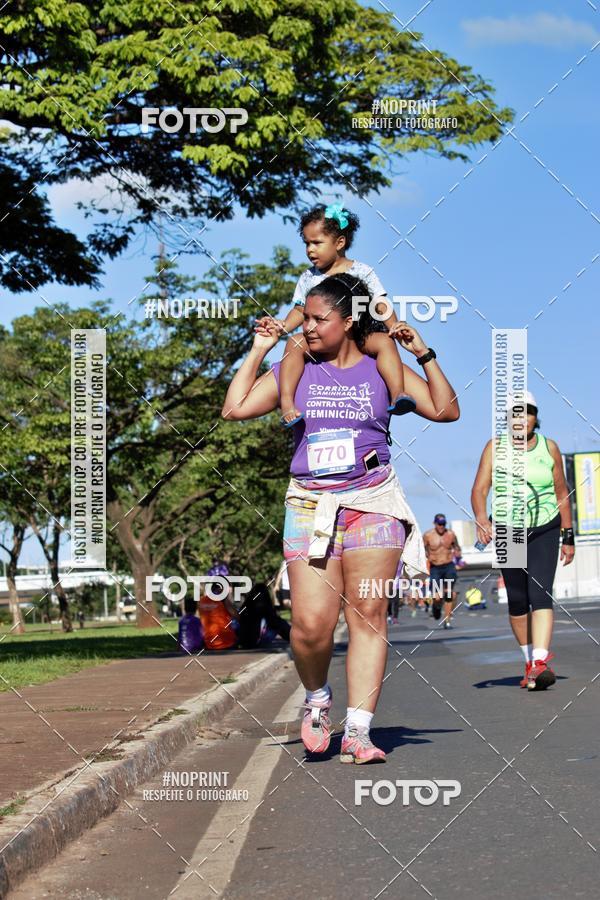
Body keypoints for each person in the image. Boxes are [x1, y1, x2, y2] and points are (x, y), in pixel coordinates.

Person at [222, 273, 459, 763]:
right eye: (304, 316)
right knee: (310, 626)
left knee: (368, 614)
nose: (306, 326)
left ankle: (358, 731)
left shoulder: (379, 363)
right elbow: (234, 407)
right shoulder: (297, 365)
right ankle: (317, 700)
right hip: (310, 503)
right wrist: (258, 349)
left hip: (372, 501)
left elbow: (446, 410)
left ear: (349, 321)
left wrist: (425, 353)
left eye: (317, 318)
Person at [255, 203, 416, 426]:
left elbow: (380, 304)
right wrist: (282, 325)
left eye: (317, 243)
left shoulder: (361, 271)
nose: (310, 250)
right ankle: (287, 403)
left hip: (359, 337)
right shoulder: (308, 278)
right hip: (325, 339)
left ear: (339, 242)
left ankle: (398, 394)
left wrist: (395, 325)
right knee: (294, 343)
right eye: (306, 243)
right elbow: (300, 310)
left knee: (385, 344)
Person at [471, 391, 575, 690]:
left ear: (535, 417)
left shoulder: (548, 447)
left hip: (545, 526)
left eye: (527, 413)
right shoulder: (495, 448)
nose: (522, 419)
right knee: (518, 600)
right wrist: (481, 517)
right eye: (516, 414)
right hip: (508, 530)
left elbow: (562, 493)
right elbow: (479, 489)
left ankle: (541, 661)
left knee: (540, 592)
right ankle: (530, 661)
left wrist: (568, 535)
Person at [423, 514, 461, 629]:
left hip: (448, 566)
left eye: (443, 524)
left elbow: (457, 548)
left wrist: (458, 556)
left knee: (449, 594)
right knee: (437, 597)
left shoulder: (451, 534)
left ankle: (447, 620)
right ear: (434, 523)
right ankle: (437, 607)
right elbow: (422, 551)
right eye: (439, 524)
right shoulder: (428, 536)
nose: (441, 526)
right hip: (435, 567)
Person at [198, 563, 239, 651]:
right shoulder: (222, 598)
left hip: (209, 644)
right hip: (226, 643)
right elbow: (237, 616)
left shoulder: (201, 601)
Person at [237, 582, 291, 649]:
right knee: (277, 622)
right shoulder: (265, 607)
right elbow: (277, 624)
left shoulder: (246, 606)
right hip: (258, 641)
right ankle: (292, 636)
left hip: (244, 641)